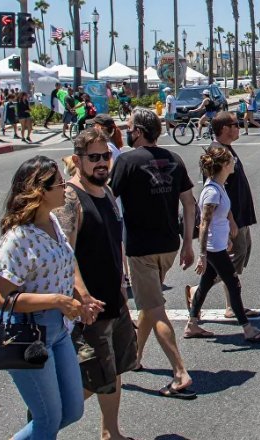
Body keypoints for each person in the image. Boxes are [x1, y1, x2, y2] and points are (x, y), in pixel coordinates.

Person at [0, 155, 105, 438]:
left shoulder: (54, 222)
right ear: (39, 191)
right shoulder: (17, 238)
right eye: (58, 183)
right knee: (47, 418)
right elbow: (3, 298)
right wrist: (56, 300)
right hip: (26, 331)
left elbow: (68, 260)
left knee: (73, 410)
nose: (65, 186)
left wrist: (82, 296)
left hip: (58, 329)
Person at [53, 128, 138, 440]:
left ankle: (111, 432)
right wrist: (83, 297)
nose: (102, 163)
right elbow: (65, 254)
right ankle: (41, 424)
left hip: (113, 301)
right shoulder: (71, 199)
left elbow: (115, 242)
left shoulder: (108, 193)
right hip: (89, 309)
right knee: (91, 379)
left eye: (106, 156)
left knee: (113, 371)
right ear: (78, 160)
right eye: (94, 158)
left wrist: (122, 285)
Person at [109, 108, 197, 400]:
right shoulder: (174, 158)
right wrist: (187, 243)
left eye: (131, 126)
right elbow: (188, 203)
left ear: (138, 131)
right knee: (150, 301)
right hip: (169, 245)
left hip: (140, 248)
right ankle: (135, 356)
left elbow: (108, 197)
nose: (128, 129)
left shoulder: (126, 161)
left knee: (155, 306)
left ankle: (180, 371)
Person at [184, 145, 260, 342]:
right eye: (231, 160)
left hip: (218, 245)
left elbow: (220, 216)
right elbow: (204, 224)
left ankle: (192, 324)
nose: (234, 163)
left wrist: (230, 227)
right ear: (224, 165)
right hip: (213, 249)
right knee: (233, 284)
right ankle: (247, 329)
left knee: (206, 284)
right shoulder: (212, 192)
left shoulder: (219, 186)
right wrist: (203, 256)